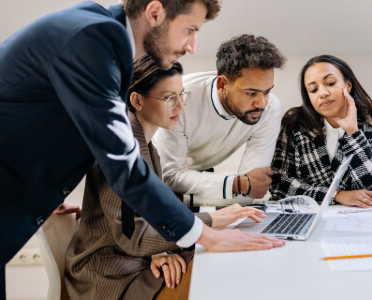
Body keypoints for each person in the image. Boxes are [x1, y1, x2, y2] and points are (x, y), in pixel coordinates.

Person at [0, 1, 283, 299]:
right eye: (190, 30)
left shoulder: (103, 41)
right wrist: (206, 234)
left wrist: (39, 190)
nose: (191, 45)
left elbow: (36, 122)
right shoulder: (94, 38)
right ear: (155, 13)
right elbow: (122, 165)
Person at [64, 55, 266, 300]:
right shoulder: (122, 150)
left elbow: (150, 215)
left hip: (133, 258)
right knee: (212, 265)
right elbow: (132, 236)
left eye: (182, 96)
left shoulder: (146, 146)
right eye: (169, 98)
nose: (180, 107)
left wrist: (159, 252)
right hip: (109, 275)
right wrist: (211, 220)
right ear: (137, 100)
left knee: (212, 259)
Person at [153, 34, 286, 207]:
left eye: (267, 91)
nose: (262, 103)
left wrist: (187, 200)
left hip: (198, 180)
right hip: (150, 178)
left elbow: (252, 188)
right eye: (251, 93)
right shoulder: (179, 99)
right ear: (222, 85)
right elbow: (168, 176)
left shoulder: (271, 109)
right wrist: (237, 184)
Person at [270, 55, 372, 208]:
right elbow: (278, 183)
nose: (322, 93)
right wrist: (335, 195)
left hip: (351, 221)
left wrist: (353, 133)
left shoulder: (370, 128)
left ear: (348, 86)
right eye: (313, 89)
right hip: (304, 218)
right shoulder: (295, 124)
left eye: (330, 83)